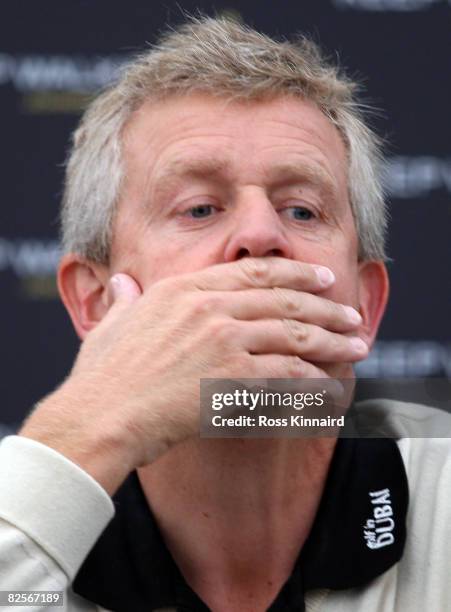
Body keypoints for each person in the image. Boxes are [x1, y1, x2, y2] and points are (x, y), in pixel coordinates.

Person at [0, 15, 450, 612]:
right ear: (96, 301)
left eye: (302, 211)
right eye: (200, 208)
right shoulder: (23, 507)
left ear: (364, 307)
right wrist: (87, 434)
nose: (260, 233)